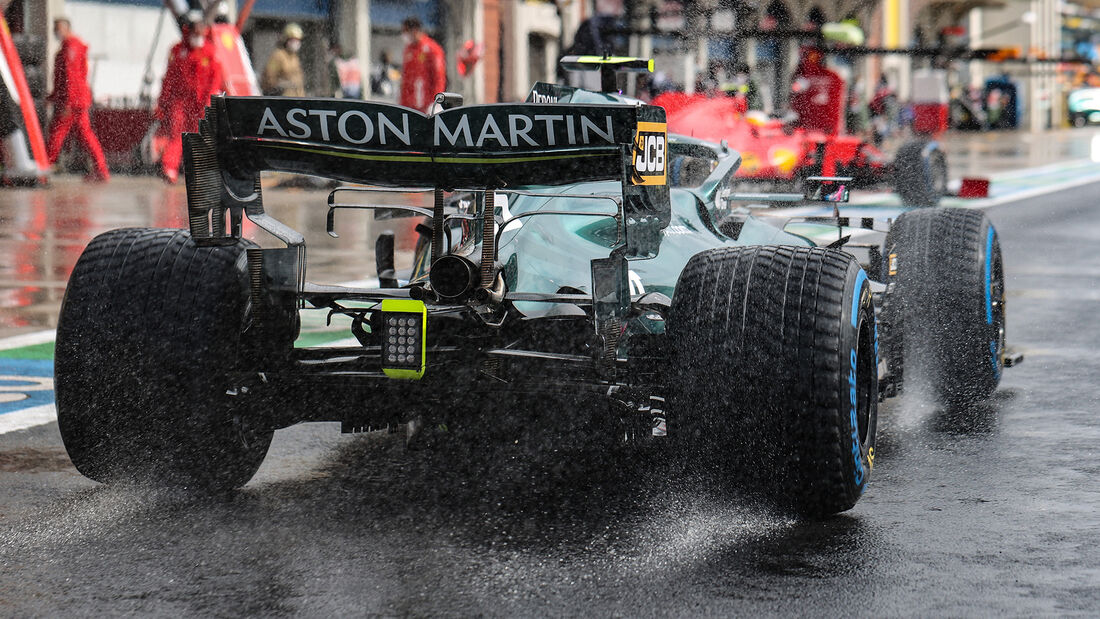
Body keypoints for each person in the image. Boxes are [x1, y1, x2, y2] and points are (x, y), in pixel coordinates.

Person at [155, 12, 223, 183]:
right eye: (195, 32)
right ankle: (169, 168)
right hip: (180, 102)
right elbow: (169, 77)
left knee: (199, 137)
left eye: (201, 32)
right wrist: (163, 102)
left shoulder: (209, 51)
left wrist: (209, 100)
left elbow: (215, 78)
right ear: (188, 31)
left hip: (201, 102)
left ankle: (198, 171)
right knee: (177, 134)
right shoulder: (178, 51)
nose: (198, 36)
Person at [45, 17, 109, 182]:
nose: (56, 32)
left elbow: (71, 77)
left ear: (66, 28)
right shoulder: (68, 48)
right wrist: (53, 97)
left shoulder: (71, 48)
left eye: (58, 28)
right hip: (76, 100)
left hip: (73, 102)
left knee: (57, 133)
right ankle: (101, 170)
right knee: (85, 135)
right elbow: (63, 78)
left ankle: (45, 167)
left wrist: (67, 102)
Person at [789, 45, 845, 135]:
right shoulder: (834, 77)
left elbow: (795, 98)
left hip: (816, 126)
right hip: (823, 127)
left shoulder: (803, 77)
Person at [399, 18, 445, 113]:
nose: (404, 36)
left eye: (406, 32)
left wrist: (436, 101)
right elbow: (405, 79)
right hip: (410, 105)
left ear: (415, 31)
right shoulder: (408, 50)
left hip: (427, 103)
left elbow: (439, 77)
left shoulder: (432, 49)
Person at [262, 23, 305, 97]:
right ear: (286, 40)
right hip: (283, 99)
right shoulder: (278, 56)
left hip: (297, 100)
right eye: (293, 40)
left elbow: (299, 80)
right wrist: (284, 84)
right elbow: (269, 79)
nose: (296, 43)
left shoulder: (295, 58)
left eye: (298, 40)